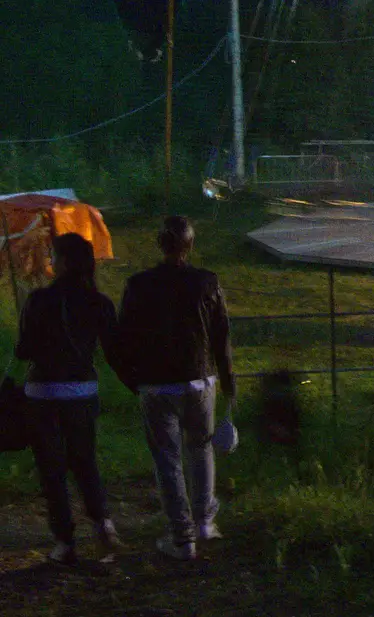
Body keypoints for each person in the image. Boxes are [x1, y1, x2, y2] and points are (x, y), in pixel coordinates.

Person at [116, 216, 234, 561]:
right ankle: (203, 523)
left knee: (167, 458)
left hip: (155, 385)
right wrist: (228, 383)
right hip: (199, 380)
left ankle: (181, 536)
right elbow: (221, 338)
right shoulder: (207, 282)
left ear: (159, 245)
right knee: (201, 449)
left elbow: (124, 339)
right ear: (190, 245)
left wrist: (133, 380)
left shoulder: (138, 285)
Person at [14, 233, 121, 565]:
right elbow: (112, 348)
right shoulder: (99, 302)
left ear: (62, 262)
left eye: (53, 255)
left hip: (43, 392)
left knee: (52, 468)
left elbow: (23, 350)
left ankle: (64, 541)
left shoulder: (38, 300)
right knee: (84, 460)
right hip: (81, 390)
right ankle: (103, 524)